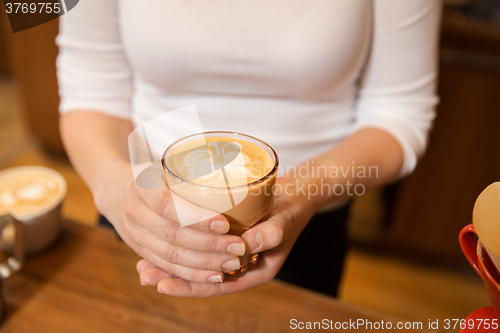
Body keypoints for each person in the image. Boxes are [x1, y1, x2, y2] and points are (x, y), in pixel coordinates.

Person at [57, 0, 441, 298]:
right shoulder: (133, 202)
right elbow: (90, 89)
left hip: (307, 218)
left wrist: (296, 197)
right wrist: (115, 187)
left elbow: (398, 114)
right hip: (143, 213)